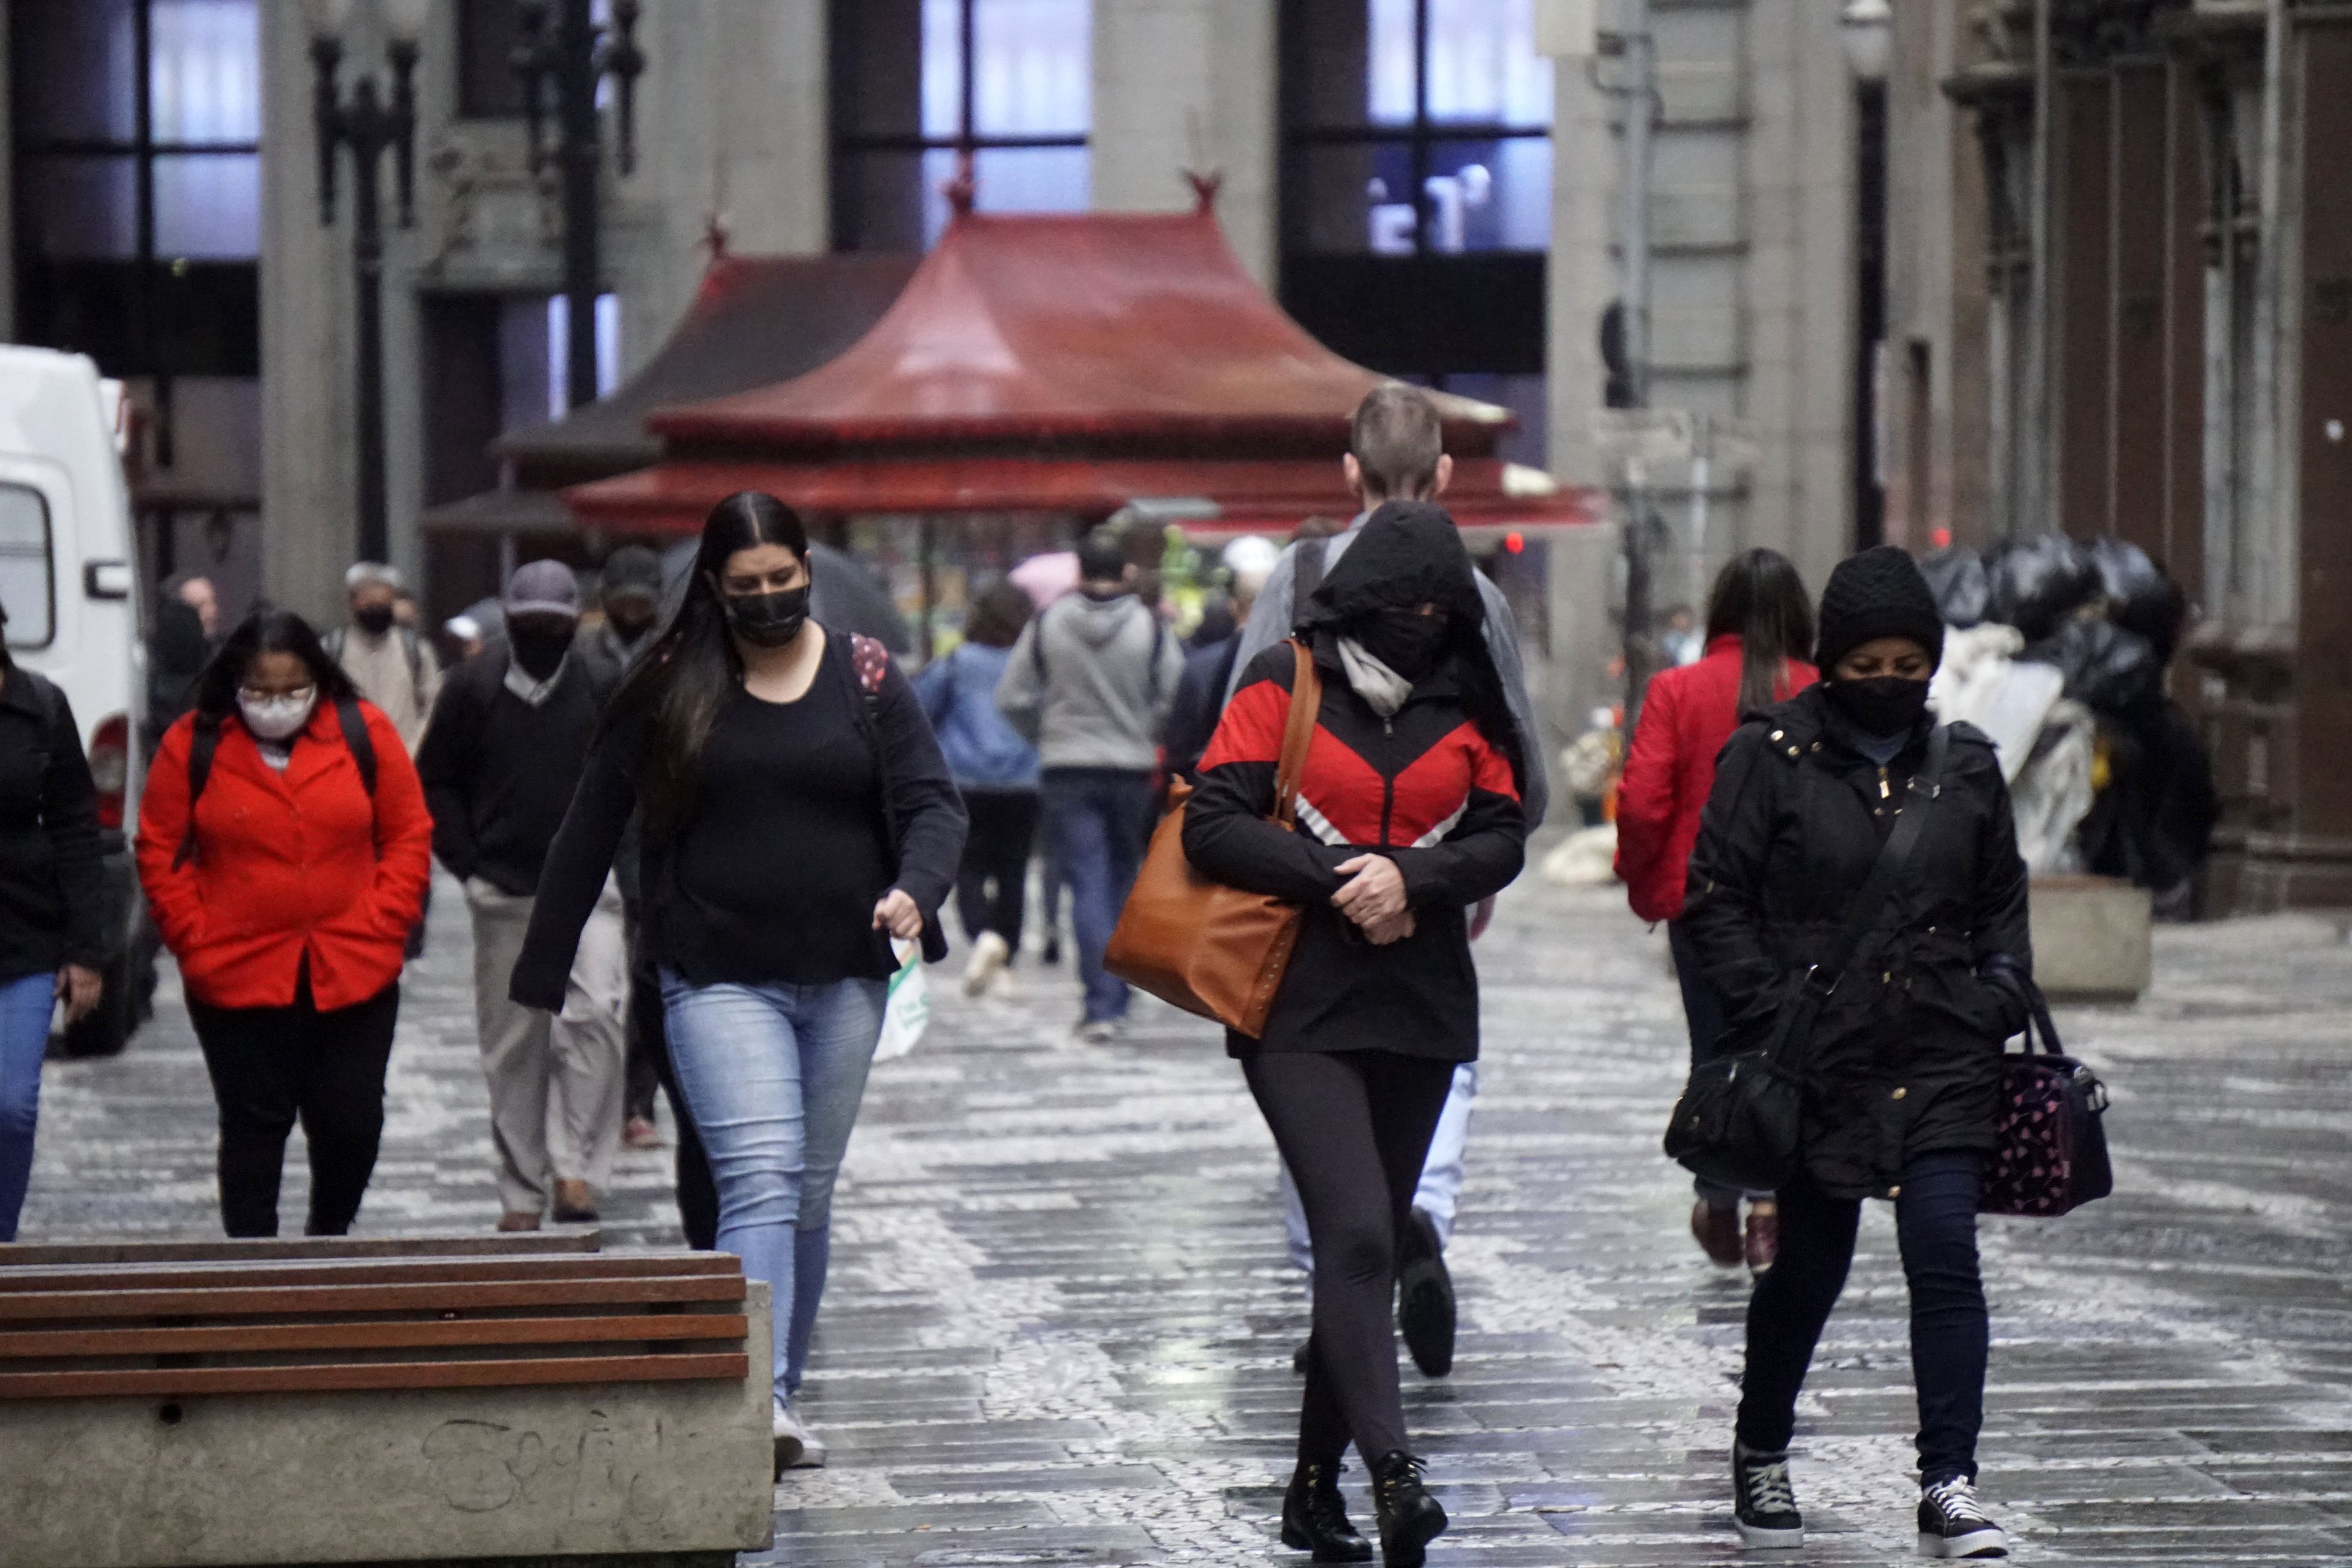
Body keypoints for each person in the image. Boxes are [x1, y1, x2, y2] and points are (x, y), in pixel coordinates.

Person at [510, 491, 965, 1476]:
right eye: (747, 587)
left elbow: (934, 803)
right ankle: (754, 1401)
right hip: (716, 976)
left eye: (783, 581)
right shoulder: (672, 682)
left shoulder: (869, 676)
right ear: (714, 589)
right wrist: (544, 967)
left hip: (845, 977)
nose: (768, 600)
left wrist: (915, 893)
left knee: (807, 1189)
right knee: (756, 1177)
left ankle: (783, 1391)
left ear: (806, 570)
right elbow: (591, 824)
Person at [1186, 502, 1527, 1568]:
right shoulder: (1284, 681)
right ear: (1355, 601)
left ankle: (1308, 1492)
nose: (1419, 622)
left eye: (1440, 606)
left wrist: (1415, 880)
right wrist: (1340, 878)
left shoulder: (1469, 698)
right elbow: (1213, 819)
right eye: (1400, 605)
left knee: (1362, 1241)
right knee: (1361, 1232)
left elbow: (1506, 832)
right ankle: (1394, 1474)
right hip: (1297, 1002)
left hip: (1421, 1004)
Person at [1681, 545, 2029, 1558]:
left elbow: (2002, 899)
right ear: (1829, 663)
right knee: (1810, 1269)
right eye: (1865, 665)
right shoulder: (1770, 758)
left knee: (1944, 1256)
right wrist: (1766, 1005)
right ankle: (1761, 1450)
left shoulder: (1965, 766)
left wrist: (1998, 994)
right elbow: (1716, 895)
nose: (1887, 684)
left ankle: (1949, 1481)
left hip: (1944, 1053)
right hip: (1821, 1064)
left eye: (1906, 665)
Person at [1232, 388, 1550, 1387]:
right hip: (1428, 880)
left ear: (1348, 473)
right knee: (1426, 1061)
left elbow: (1242, 720)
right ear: (1447, 475)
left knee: (1312, 1097)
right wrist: (1461, 861)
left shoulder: (1297, 574)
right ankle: (1419, 1218)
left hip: (1303, 886)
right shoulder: (1474, 591)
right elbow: (1516, 755)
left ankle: (1336, 1288)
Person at [135, 609, 432, 1238]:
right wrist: (192, 933)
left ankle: (329, 1234)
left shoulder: (364, 732)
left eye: (293, 690)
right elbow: (160, 847)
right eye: (261, 692)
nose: (277, 704)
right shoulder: (196, 743)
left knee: (351, 1120)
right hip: (234, 973)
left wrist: (387, 919)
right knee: (253, 1124)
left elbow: (407, 832)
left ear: (319, 682)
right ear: (236, 684)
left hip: (355, 966)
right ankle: (252, 1269)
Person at [1614, 548, 1817, 1275]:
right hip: (1804, 909)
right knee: (1789, 1050)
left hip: (1699, 905)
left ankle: (1725, 1197)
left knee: (1717, 1048)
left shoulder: (1677, 690)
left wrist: (1644, 881)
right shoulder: (1819, 693)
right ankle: (1770, 1203)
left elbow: (1641, 800)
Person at [417, 561, 629, 1231]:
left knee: (597, 1017)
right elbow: (437, 782)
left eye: (555, 626)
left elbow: (633, 779)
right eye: (530, 624)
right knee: (514, 1044)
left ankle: (577, 1169)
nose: (542, 635)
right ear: (508, 623)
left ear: (575, 625)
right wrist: (469, 863)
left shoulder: (602, 684)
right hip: (504, 889)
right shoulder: (471, 687)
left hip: (591, 888)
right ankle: (518, 1191)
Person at [994, 529, 1182, 1043]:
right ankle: (1117, 993)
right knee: (1124, 879)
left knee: (1086, 882)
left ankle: (1099, 1004)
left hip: (1066, 767)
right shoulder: (1151, 627)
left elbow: (1012, 696)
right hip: (1131, 768)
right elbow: (1174, 695)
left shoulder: (1048, 623)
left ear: (1078, 573)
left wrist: (1047, 734)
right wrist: (1147, 730)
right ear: (1125, 573)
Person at [0, 605, 108, 1242]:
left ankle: (3, 1249)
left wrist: (86, 951)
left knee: (11, 1106)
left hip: (26, 937)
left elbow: (75, 826)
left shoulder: (40, 706)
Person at [578, 543, 671, 1149]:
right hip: (597, 828)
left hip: (660, 831)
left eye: (643, 599)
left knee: (649, 978)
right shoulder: (582, 659)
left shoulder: (676, 657)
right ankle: (601, 1097)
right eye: (623, 598)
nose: (632, 609)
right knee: (594, 984)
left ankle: (638, 1098)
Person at [914, 581, 1041, 998]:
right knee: (1013, 871)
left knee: (965, 868)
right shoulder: (1033, 662)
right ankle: (1006, 957)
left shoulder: (958, 662)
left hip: (964, 781)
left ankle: (983, 935)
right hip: (1025, 780)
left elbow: (919, 708)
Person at [327, 562, 442, 755]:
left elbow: (433, 704)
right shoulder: (332, 650)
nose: (376, 609)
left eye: (382, 603)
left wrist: (417, 745)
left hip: (405, 758)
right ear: (353, 603)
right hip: (348, 759)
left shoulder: (416, 651)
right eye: (369, 603)